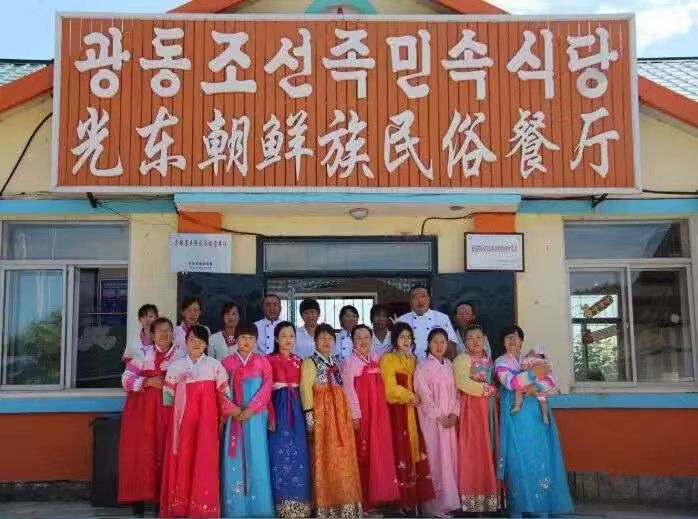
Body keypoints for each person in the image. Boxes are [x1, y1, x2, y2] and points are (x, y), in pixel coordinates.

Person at [494, 325, 574, 516]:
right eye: (507, 338)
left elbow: (548, 381)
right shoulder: (500, 362)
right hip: (515, 418)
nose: (512, 341)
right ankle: (518, 508)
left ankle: (540, 507)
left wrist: (533, 383)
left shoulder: (531, 359)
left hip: (536, 416)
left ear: (522, 340)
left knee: (539, 456)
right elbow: (510, 382)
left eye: (515, 337)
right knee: (516, 459)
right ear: (503, 342)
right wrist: (534, 374)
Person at [160, 325, 236, 519]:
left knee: (205, 460)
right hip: (182, 424)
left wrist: (223, 419)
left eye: (201, 341)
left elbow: (225, 395)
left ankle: (203, 509)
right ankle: (180, 508)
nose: (196, 344)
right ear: (185, 342)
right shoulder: (176, 366)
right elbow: (167, 399)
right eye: (192, 339)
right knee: (183, 460)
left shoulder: (214, 366)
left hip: (207, 423)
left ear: (206, 345)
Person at [118, 317, 183, 515]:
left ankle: (161, 503)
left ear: (173, 333)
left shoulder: (181, 356)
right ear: (152, 335)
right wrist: (147, 382)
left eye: (168, 330)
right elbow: (126, 380)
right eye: (159, 330)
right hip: (143, 414)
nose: (164, 334)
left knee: (167, 452)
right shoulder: (142, 355)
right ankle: (138, 502)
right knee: (142, 453)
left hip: (170, 412)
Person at [300, 323, 362, 518]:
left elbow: (343, 391)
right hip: (323, 417)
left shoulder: (336, 362)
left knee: (343, 458)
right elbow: (305, 389)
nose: (326, 342)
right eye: (322, 338)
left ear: (334, 342)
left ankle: (346, 504)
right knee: (325, 458)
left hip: (339, 417)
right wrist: (310, 416)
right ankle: (327, 507)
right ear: (315, 341)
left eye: (329, 338)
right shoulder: (309, 362)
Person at [341, 324, 399, 512]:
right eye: (358, 338)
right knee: (363, 451)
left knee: (380, 450)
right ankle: (364, 500)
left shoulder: (378, 358)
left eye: (366, 337)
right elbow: (348, 390)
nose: (363, 341)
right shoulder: (349, 362)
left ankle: (381, 495)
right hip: (363, 412)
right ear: (352, 341)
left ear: (372, 339)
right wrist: (355, 415)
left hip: (380, 412)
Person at [220, 321, 274, 517]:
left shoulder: (263, 362)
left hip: (256, 417)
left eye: (251, 338)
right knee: (234, 458)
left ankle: (260, 509)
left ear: (256, 340)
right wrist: (233, 410)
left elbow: (267, 388)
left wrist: (251, 409)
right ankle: (236, 509)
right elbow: (219, 390)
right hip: (234, 417)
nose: (247, 341)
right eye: (243, 337)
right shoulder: (226, 363)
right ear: (236, 339)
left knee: (257, 457)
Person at [380, 322, 435, 513]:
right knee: (399, 450)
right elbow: (389, 389)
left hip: (414, 412)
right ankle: (400, 500)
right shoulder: (388, 359)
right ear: (395, 339)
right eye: (402, 337)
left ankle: (414, 499)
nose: (406, 341)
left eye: (409, 337)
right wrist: (410, 396)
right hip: (397, 412)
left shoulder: (413, 360)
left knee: (415, 449)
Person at [453, 324, 502, 514]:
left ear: (484, 340)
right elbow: (462, 383)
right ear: (464, 342)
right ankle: (473, 496)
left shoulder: (489, 359)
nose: (475, 341)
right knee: (475, 449)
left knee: (489, 447)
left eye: (478, 338)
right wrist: (488, 390)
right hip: (472, 408)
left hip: (488, 408)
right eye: (470, 338)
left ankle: (490, 496)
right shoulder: (462, 359)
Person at [413, 328, 460, 517]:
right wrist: (440, 417)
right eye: (435, 342)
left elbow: (457, 392)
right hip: (432, 423)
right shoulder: (422, 367)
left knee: (450, 459)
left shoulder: (450, 365)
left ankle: (449, 503)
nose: (439, 346)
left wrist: (454, 415)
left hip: (450, 423)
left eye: (443, 342)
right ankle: (434, 507)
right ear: (428, 344)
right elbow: (424, 396)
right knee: (435, 460)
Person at [267, 321, 312, 518]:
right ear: (276, 339)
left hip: (296, 410)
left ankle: (300, 505)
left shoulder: (300, 361)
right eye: (283, 336)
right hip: (277, 407)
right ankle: (279, 504)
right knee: (276, 452)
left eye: (291, 336)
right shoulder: (268, 360)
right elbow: (265, 391)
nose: (288, 340)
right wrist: (269, 415)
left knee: (299, 453)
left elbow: (305, 389)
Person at [398, 285, 457, 360]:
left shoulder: (442, 318)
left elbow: (451, 344)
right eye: (414, 297)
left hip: (434, 363)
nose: (420, 300)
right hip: (408, 363)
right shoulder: (402, 320)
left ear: (429, 299)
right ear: (410, 302)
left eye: (423, 296)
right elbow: (394, 346)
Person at [514, 345, 559, 424]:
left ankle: (518, 405)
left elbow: (523, 367)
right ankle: (545, 417)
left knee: (519, 389)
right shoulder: (546, 361)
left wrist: (526, 359)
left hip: (536, 382)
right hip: (545, 384)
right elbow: (550, 371)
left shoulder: (530, 359)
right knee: (542, 400)